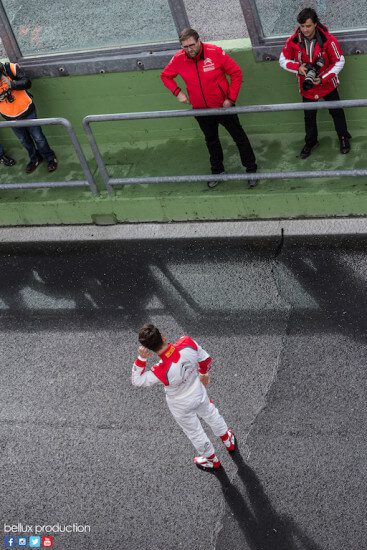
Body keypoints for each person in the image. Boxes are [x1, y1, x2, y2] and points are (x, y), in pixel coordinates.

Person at [161, 28, 257, 189]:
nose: (189, 49)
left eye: (192, 45)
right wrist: (178, 93)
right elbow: (165, 76)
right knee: (211, 141)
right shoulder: (179, 58)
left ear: (199, 41)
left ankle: (252, 171)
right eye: (185, 47)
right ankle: (218, 171)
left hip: (223, 107)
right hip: (201, 111)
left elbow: (236, 73)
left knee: (239, 137)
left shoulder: (215, 52)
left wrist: (230, 99)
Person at [131, 324, 236, 471]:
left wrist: (141, 357)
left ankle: (212, 460)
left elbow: (137, 380)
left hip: (179, 404)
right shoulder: (186, 343)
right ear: (163, 337)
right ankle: (228, 441)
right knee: (211, 413)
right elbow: (205, 359)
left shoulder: (159, 370)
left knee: (195, 432)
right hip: (198, 390)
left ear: (150, 350)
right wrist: (203, 373)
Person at [279, 7, 351, 159]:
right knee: (309, 116)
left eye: (308, 26)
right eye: (302, 26)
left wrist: (323, 77)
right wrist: (298, 68)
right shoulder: (292, 40)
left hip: (327, 84)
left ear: (316, 24)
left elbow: (339, 61)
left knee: (337, 112)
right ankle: (311, 142)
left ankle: (344, 137)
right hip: (308, 86)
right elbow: (283, 60)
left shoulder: (328, 40)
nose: (305, 29)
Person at [0, 61, 57, 173]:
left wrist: (12, 84)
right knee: (24, 140)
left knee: (38, 137)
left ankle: (50, 157)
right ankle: (35, 158)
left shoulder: (10, 68)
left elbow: (27, 82)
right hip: (10, 117)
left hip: (27, 110)